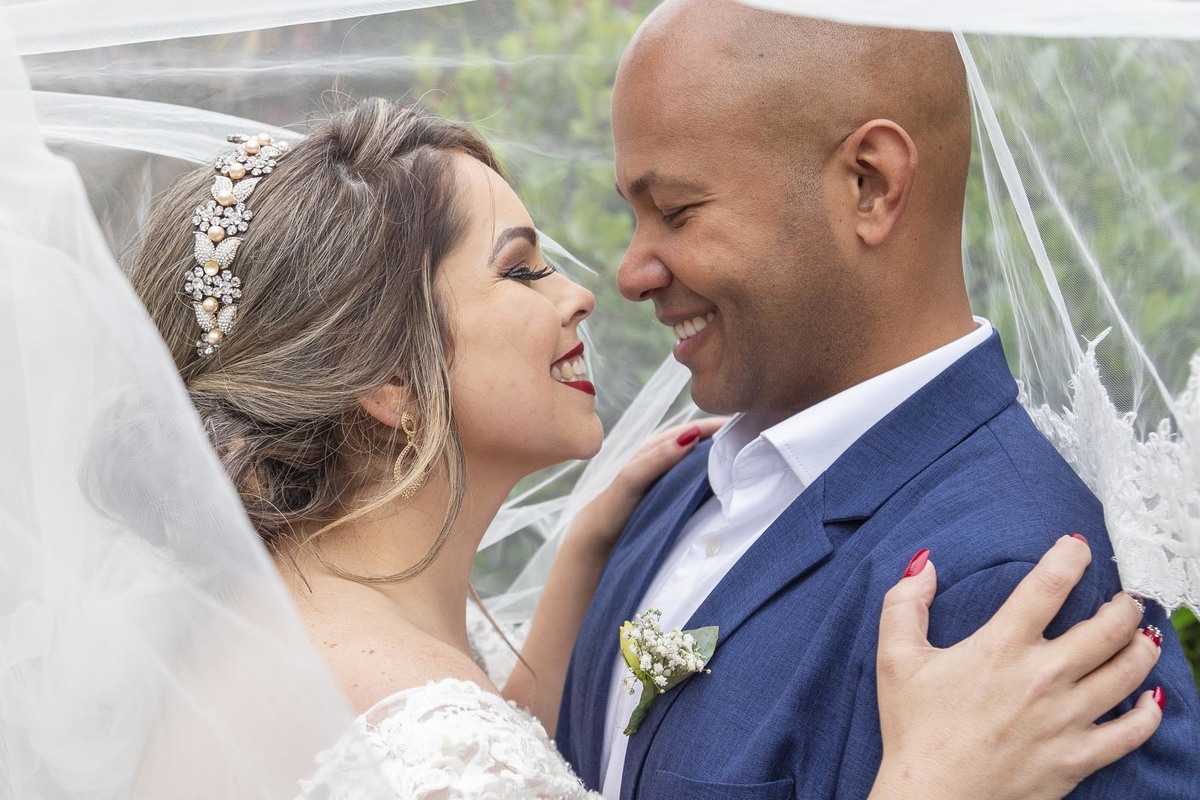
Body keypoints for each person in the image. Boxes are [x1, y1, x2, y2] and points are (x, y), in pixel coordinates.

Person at [110, 99, 1164, 799]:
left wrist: (578, 560)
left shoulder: (258, 631)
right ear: (386, 376)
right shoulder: (432, 742)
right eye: (520, 270)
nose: (585, 291)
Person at [555, 2, 1200, 798]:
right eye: (635, 215)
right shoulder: (668, 496)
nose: (631, 273)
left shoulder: (1016, 589)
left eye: (676, 211)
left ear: (871, 184)